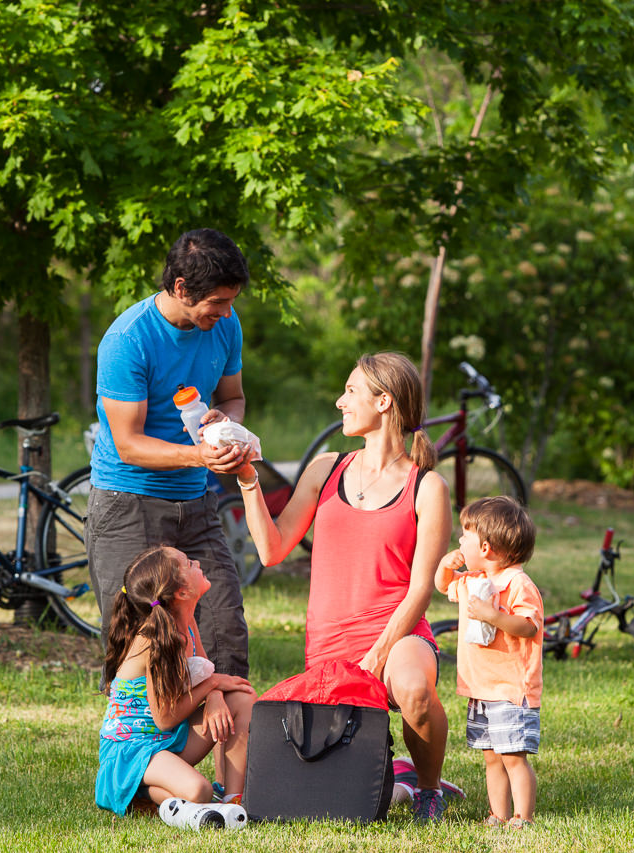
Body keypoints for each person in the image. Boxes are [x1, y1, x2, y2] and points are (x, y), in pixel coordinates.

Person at [233, 351, 454, 821]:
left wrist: (377, 654)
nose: (339, 401)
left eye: (350, 390)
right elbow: (273, 550)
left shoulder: (427, 486)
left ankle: (429, 789)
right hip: (330, 642)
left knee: (413, 691)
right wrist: (248, 480)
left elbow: (420, 589)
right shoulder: (326, 467)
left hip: (397, 631)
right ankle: (398, 772)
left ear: (384, 402)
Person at [86, 228, 254, 683]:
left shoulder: (225, 326)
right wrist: (201, 457)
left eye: (230, 301)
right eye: (217, 302)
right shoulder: (128, 340)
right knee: (140, 648)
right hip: (128, 505)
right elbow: (129, 444)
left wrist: (225, 423)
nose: (226, 312)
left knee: (225, 637)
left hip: (196, 505)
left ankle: (229, 752)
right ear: (181, 287)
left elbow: (234, 396)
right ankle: (142, 753)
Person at [95, 545, 256, 816]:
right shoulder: (153, 639)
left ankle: (233, 802)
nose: (196, 562)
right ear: (181, 593)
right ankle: (139, 793)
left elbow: (205, 672)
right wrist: (212, 685)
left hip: (166, 740)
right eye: (187, 564)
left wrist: (215, 694)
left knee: (241, 697)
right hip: (133, 752)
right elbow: (165, 718)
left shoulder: (187, 621)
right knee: (197, 791)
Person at [433, 496, 542, 830]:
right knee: (492, 757)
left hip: (510, 689)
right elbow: (442, 586)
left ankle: (523, 817)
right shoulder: (470, 580)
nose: (459, 543)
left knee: (513, 757)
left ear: (485, 547)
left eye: (463, 538)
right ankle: (498, 813)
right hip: (481, 689)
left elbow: (529, 625)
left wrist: (494, 616)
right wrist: (445, 566)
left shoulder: (517, 584)